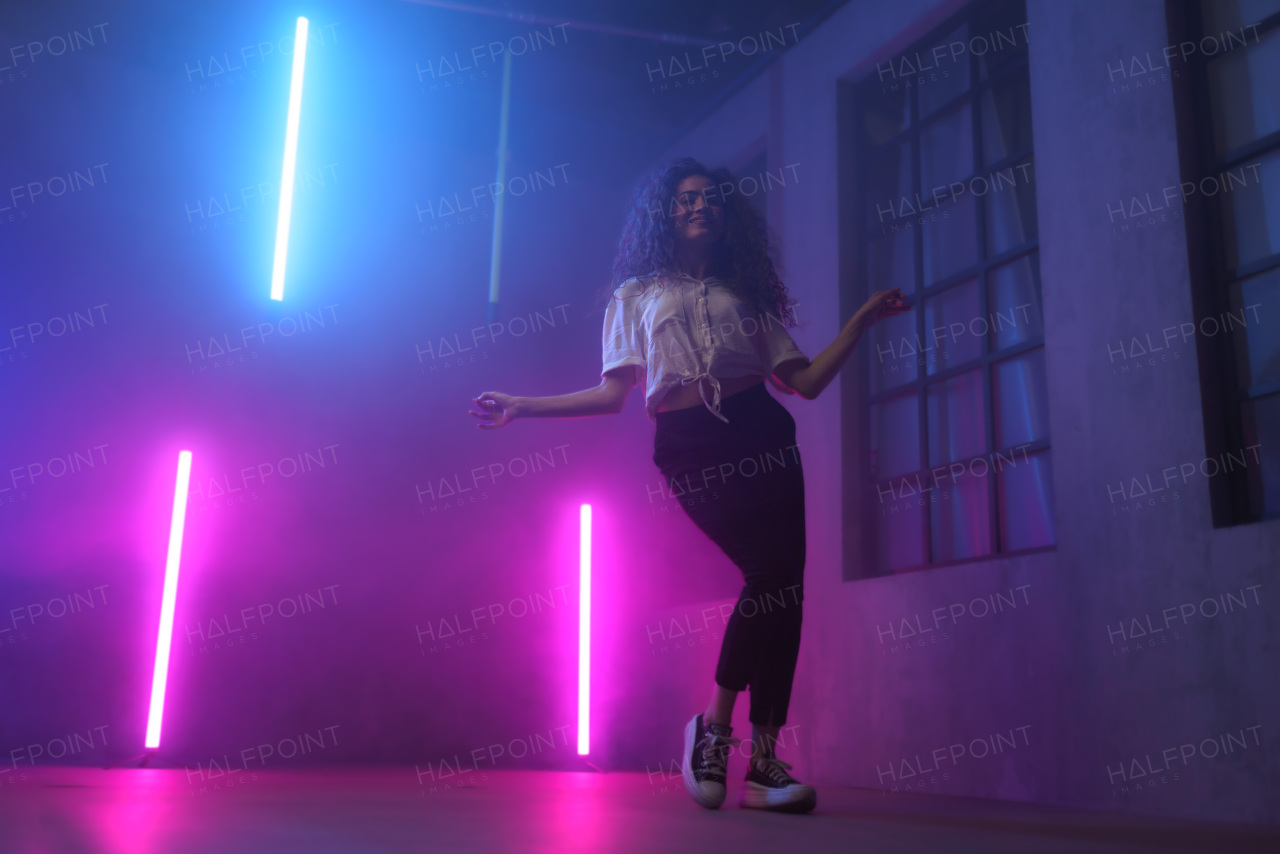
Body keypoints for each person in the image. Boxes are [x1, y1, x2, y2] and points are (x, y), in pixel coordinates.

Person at [469, 157, 905, 813]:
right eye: (686, 200)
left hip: (763, 431)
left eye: (711, 200)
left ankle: (762, 765)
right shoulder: (636, 294)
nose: (700, 207)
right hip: (690, 443)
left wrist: (860, 324)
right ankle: (713, 727)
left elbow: (805, 382)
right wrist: (522, 405)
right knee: (767, 576)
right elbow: (613, 393)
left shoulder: (746, 296)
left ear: (727, 218)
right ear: (665, 215)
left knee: (784, 588)